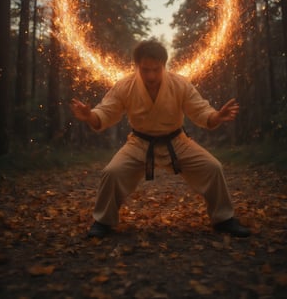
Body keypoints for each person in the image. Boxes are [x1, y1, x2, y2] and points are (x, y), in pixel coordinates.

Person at [71, 39, 250, 238]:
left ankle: (223, 219)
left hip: (177, 141)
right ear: (137, 66)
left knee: (213, 168)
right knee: (111, 173)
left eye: (156, 69)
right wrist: (90, 116)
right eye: (145, 70)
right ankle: (103, 221)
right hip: (139, 143)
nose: (151, 75)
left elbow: (201, 110)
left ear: (164, 65)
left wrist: (217, 116)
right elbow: (105, 112)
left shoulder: (179, 83)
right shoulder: (125, 86)